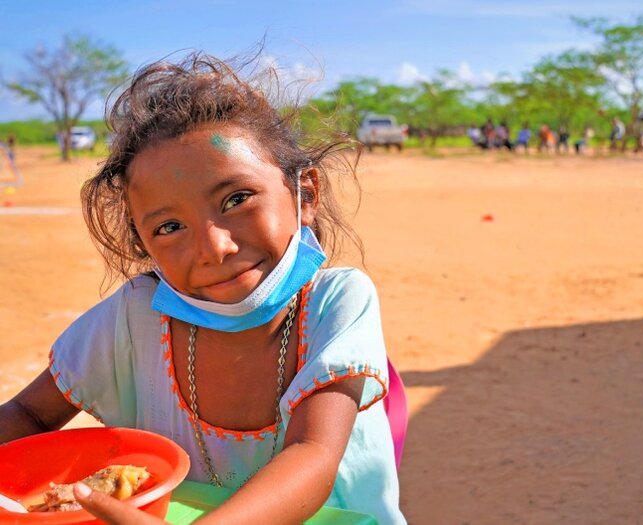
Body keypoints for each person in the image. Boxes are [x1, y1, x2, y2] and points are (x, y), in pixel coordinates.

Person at [0, 53, 405, 524]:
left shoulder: (336, 302)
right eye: (170, 226)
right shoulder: (134, 319)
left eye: (236, 200)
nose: (213, 247)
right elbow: (29, 415)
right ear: (143, 244)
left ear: (305, 194)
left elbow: (311, 455)